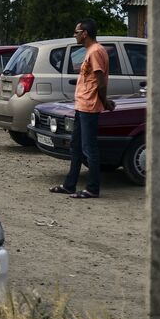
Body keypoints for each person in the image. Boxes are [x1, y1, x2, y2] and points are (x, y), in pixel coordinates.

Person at [51, 20, 114, 200]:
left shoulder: (95, 51)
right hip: (82, 105)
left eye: (76, 32)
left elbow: (100, 82)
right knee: (76, 147)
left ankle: (93, 189)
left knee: (89, 148)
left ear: (84, 33)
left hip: (89, 106)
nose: (75, 35)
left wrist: (105, 101)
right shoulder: (90, 51)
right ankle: (69, 185)